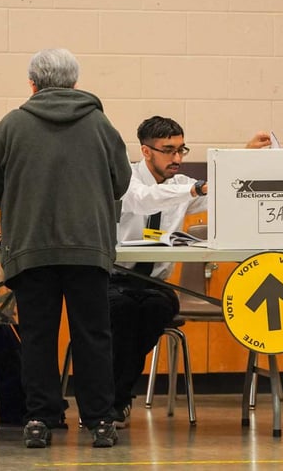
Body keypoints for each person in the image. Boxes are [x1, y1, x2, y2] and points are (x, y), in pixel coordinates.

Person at [0, 48, 132, 449]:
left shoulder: (10, 126)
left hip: (31, 248)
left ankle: (41, 420)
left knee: (38, 335)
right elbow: (121, 183)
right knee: (93, 335)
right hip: (89, 248)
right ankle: (99, 421)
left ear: (33, 83)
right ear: (75, 83)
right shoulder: (100, 124)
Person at [109, 116, 269, 426]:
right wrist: (194, 190)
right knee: (122, 312)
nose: (178, 158)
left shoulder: (183, 186)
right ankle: (115, 398)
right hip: (116, 280)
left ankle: (115, 397)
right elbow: (144, 201)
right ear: (146, 151)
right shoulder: (126, 179)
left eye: (182, 149)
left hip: (155, 284)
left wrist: (243, 158)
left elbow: (219, 192)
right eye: (169, 150)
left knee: (156, 310)